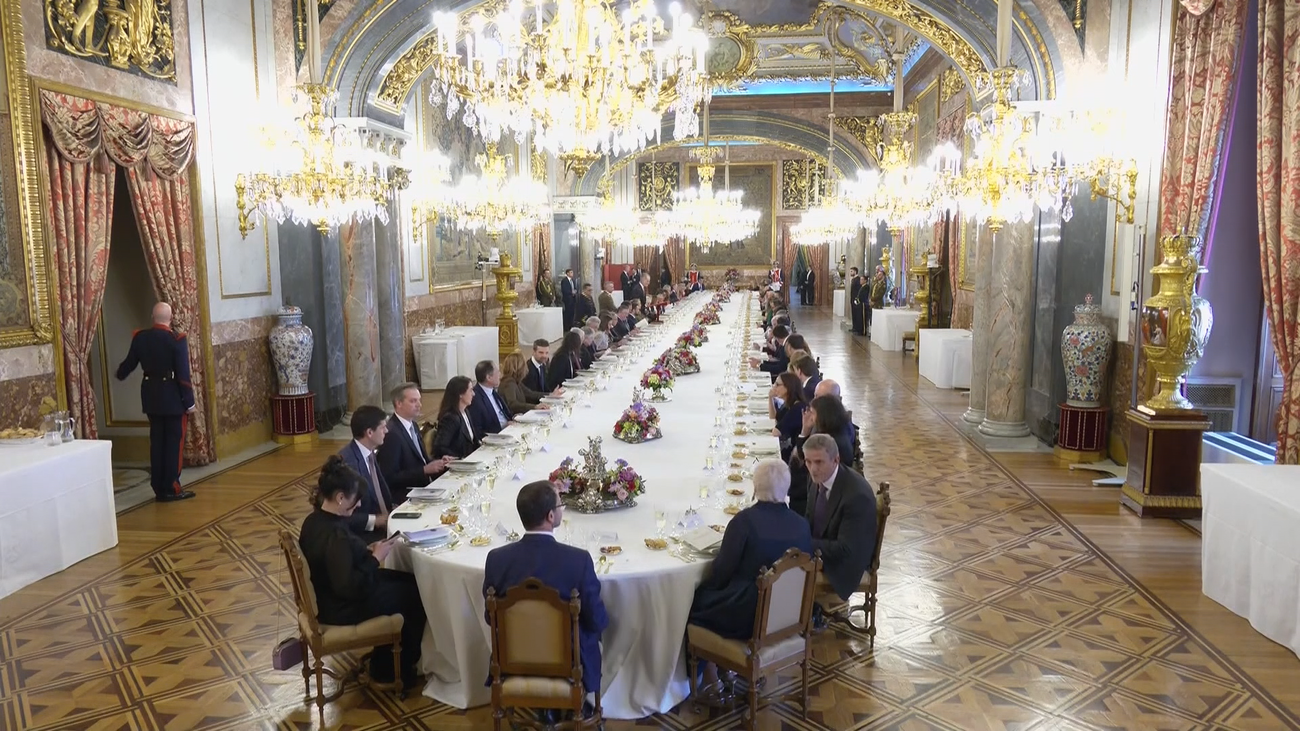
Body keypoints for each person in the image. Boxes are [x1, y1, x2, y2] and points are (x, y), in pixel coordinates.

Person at [299, 456, 427, 688]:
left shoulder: (313, 521)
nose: (358, 505)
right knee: (416, 595)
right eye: (355, 500)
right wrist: (375, 558)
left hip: (331, 594)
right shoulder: (335, 535)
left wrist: (365, 553)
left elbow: (336, 563)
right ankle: (391, 669)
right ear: (340, 498)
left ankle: (387, 657)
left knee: (410, 580)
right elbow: (350, 586)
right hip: (342, 606)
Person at [484, 481, 608, 705]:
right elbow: (596, 620)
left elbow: (489, 617)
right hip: (570, 664)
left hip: (513, 659)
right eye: (561, 504)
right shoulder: (578, 560)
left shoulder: (496, 559)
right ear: (551, 516)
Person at [687, 459, 812, 640]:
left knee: (690, 604)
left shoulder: (744, 522)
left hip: (749, 615)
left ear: (755, 487)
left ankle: (706, 666)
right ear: (787, 488)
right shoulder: (802, 525)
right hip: (791, 612)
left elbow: (722, 572)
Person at [116, 302, 198, 502]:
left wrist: (120, 373)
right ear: (170, 318)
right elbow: (183, 375)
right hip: (172, 398)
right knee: (173, 444)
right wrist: (189, 402)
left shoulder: (140, 338)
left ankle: (158, 487)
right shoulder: (176, 340)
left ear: (153, 316)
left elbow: (128, 366)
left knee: (157, 443)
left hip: (151, 397)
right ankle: (172, 487)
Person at [801, 435, 877, 612]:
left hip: (843, 566)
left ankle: (797, 619)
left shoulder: (856, 495)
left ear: (836, 460)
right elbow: (809, 517)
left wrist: (802, 543)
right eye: (808, 462)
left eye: (819, 462)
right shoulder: (818, 478)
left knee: (780, 572)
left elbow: (846, 550)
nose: (812, 469)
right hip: (824, 546)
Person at [379, 383, 453, 504]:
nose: (419, 405)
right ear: (398, 403)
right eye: (413, 401)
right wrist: (424, 470)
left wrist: (439, 463)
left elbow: (420, 459)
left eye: (419, 400)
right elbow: (390, 477)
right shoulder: (391, 433)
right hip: (407, 496)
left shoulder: (412, 424)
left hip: (424, 488)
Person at [337, 405, 396, 542]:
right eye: (383, 427)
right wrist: (375, 520)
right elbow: (340, 514)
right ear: (369, 432)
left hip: (385, 522)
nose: (386, 431)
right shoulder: (348, 463)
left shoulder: (369, 453)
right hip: (363, 537)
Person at [430, 376, 482, 459]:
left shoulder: (466, 412)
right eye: (471, 390)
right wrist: (459, 458)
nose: (473, 394)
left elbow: (473, 441)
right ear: (460, 394)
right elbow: (440, 448)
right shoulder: (450, 418)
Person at [769, 372, 810, 463]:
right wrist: (770, 398)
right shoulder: (789, 403)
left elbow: (776, 432)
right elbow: (773, 419)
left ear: (788, 387)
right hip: (791, 447)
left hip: (796, 455)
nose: (774, 386)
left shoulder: (797, 408)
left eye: (777, 384)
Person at [469, 360, 514, 436]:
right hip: (497, 437)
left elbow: (505, 413)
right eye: (497, 372)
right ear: (489, 377)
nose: (500, 375)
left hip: (509, 430)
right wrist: (504, 428)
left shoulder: (493, 391)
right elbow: (478, 430)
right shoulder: (475, 398)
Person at [854, 272, 872, 337]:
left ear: (865, 280)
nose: (860, 281)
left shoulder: (866, 287)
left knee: (863, 318)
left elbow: (863, 296)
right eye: (860, 279)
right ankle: (859, 330)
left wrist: (858, 300)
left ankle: (863, 331)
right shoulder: (862, 287)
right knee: (860, 317)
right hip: (860, 304)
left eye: (862, 280)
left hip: (863, 304)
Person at [847, 267, 864, 335]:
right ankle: (854, 327)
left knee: (857, 314)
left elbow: (858, 291)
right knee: (853, 313)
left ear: (855, 272)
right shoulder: (853, 279)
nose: (850, 273)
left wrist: (857, 299)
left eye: (851, 271)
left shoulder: (858, 280)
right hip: (853, 299)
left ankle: (858, 328)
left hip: (856, 300)